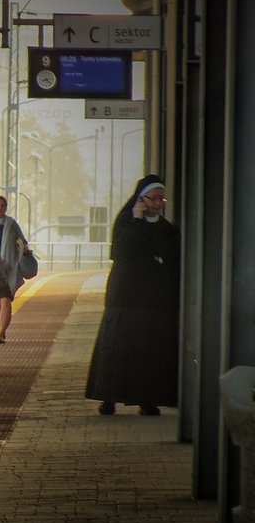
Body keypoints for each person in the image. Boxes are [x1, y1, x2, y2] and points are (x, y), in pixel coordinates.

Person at [85, 174, 180, 416]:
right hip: (125, 296)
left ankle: (147, 399)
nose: (158, 204)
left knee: (149, 350)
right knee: (117, 347)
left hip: (153, 299)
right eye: (153, 198)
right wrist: (137, 220)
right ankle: (109, 397)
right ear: (141, 199)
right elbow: (122, 251)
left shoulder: (166, 228)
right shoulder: (127, 222)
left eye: (161, 199)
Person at [0, 196, 29, 343]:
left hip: (8, 268)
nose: (0, 208)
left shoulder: (11, 224)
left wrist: (23, 249)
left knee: (5, 301)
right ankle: (2, 327)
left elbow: (22, 241)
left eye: (2, 205)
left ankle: (0, 334)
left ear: (6, 207)